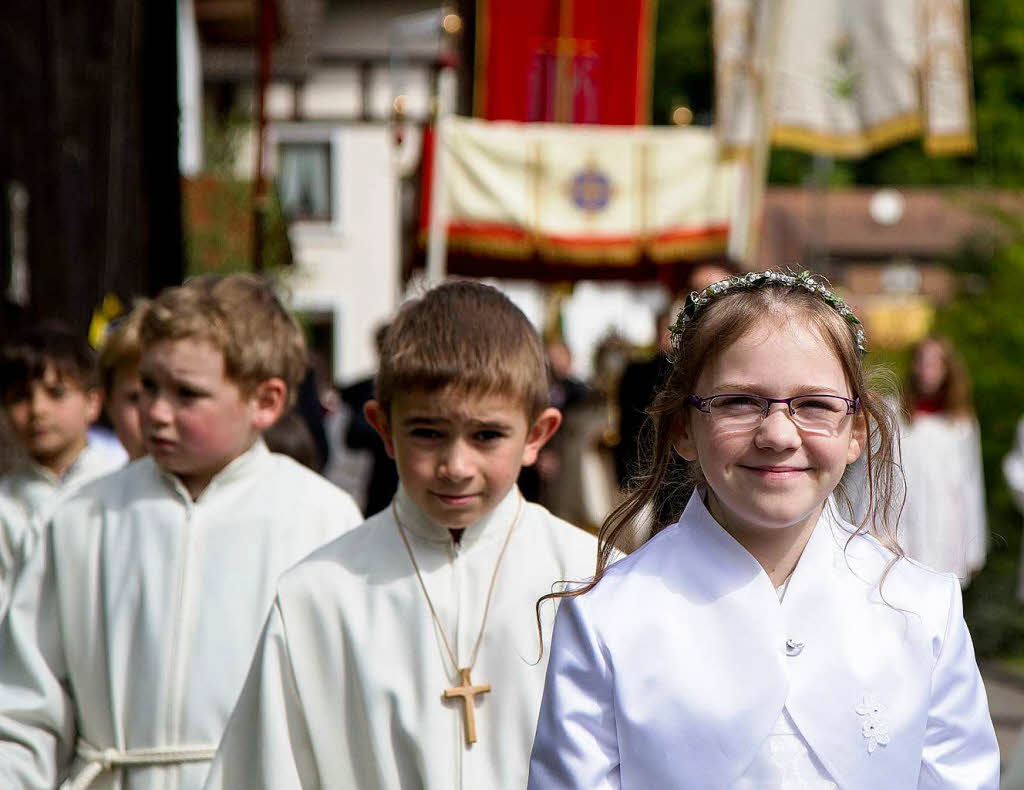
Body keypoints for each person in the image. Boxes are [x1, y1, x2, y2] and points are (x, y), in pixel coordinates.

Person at [529, 270, 999, 788]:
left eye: (815, 405)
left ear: (856, 433)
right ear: (684, 427)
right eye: (738, 402)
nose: (777, 434)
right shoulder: (607, 619)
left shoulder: (923, 610)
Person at [204, 281, 598, 790]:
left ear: (537, 436)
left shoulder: (588, 579)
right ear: (384, 429)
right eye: (427, 433)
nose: (456, 466)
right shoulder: (319, 596)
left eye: (486, 436)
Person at [0, 274, 363, 790]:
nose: (155, 413)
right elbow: (22, 711)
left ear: (266, 401)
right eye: (148, 387)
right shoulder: (81, 519)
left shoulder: (321, 521)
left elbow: (346, 714)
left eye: (187, 394)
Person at [0, 323, 122, 529]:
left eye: (56, 393)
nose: (37, 410)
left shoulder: (121, 479)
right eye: (20, 398)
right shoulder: (6, 503)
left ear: (93, 403)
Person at [897, 335, 987, 582]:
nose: (927, 371)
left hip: (946, 530)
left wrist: (974, 547)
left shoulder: (961, 424)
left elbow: (971, 484)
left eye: (935, 363)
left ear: (948, 369)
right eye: (922, 362)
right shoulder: (897, 417)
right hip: (905, 529)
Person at [97, 301, 149, 461]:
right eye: (136, 398)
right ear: (108, 404)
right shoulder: (96, 486)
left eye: (184, 394)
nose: (156, 414)